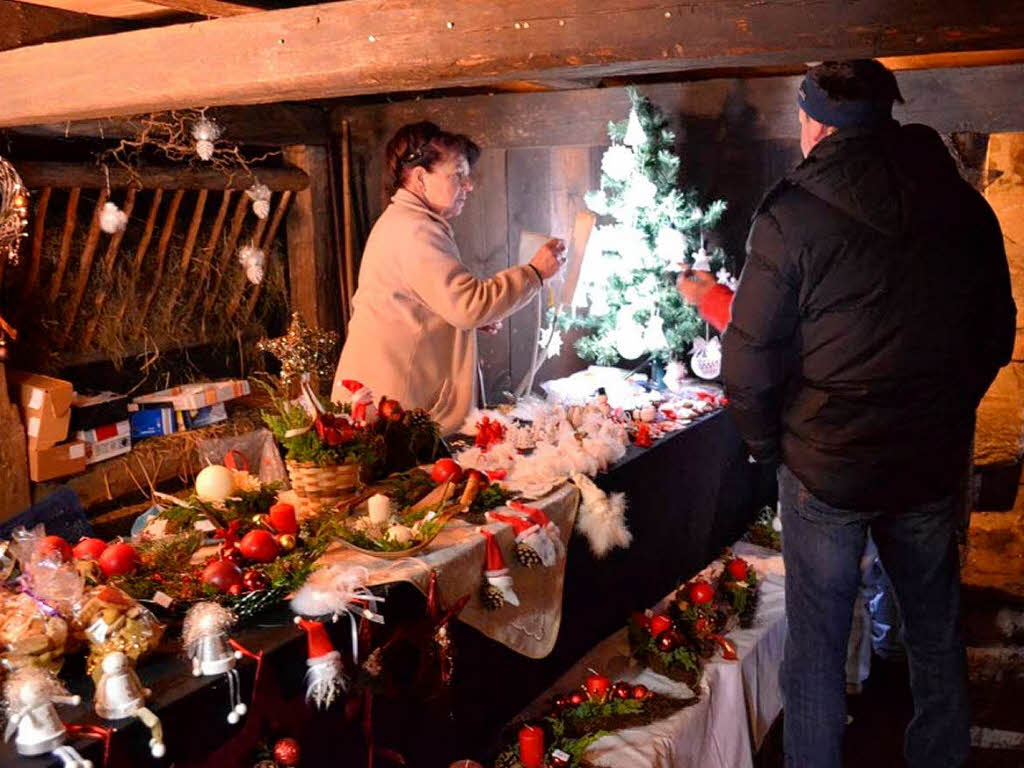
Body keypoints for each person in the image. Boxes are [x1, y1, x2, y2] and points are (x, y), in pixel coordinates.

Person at [721, 60, 1015, 767]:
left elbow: (748, 362)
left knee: (817, 648)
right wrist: (944, 411)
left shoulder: (788, 216)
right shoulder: (960, 202)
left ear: (813, 124)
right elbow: (995, 334)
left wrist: (770, 446)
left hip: (826, 470)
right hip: (924, 461)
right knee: (935, 634)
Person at [333, 122, 564, 433]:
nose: (468, 186)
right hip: (392, 406)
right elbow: (468, 304)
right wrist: (535, 273)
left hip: (388, 397)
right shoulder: (415, 230)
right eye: (457, 175)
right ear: (419, 177)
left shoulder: (407, 222)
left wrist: (455, 319)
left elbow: (426, 302)